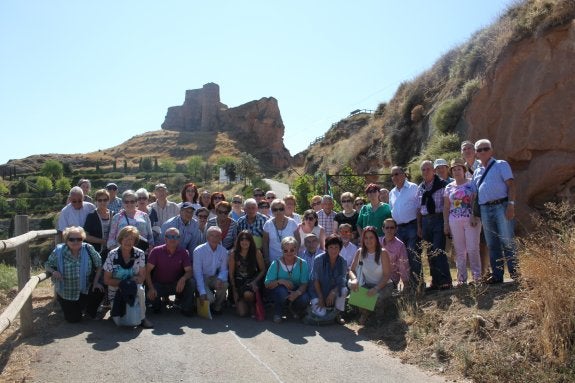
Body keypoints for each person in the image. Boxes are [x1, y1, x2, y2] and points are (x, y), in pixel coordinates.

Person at [473, 139, 517, 284]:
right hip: (485, 209)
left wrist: (511, 204)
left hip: (501, 206)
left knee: (507, 241)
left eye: (485, 149)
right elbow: (474, 193)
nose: (483, 152)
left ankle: (515, 274)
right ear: (476, 154)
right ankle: (497, 276)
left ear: (491, 151)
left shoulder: (501, 165)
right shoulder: (477, 171)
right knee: (492, 243)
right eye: (479, 150)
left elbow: (511, 185)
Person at [45, 226, 104, 322]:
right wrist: (54, 271)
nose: (75, 242)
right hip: (67, 292)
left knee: (100, 289)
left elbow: (99, 265)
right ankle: (77, 308)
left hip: (85, 289)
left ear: (83, 239)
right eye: (72, 239)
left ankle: (89, 311)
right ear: (66, 240)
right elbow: (47, 264)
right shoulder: (59, 251)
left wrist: (96, 282)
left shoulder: (88, 249)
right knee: (73, 320)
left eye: (79, 239)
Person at [103, 226, 153, 328]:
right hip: (116, 289)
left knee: (140, 289)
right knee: (119, 322)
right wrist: (125, 282)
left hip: (133, 287)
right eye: (126, 237)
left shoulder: (140, 253)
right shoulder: (112, 254)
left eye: (132, 239)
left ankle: (143, 317)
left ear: (135, 241)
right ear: (120, 239)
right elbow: (106, 280)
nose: (128, 241)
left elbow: (142, 277)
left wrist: (129, 283)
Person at [443, 158, 482, 285]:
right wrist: (446, 223)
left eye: (459, 169)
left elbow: (476, 201)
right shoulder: (449, 187)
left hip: (471, 220)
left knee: (472, 248)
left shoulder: (472, 184)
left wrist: (474, 215)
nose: (456, 171)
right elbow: (446, 207)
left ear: (464, 170)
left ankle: (477, 277)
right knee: (460, 251)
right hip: (454, 221)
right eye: (454, 170)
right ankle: (461, 279)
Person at [417, 160, 452, 291]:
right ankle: (435, 282)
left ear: (434, 170)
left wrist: (446, 223)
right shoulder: (420, 188)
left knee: (438, 250)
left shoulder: (443, 184)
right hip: (426, 221)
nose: (426, 172)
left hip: (439, 219)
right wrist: (419, 226)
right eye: (423, 170)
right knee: (430, 252)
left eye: (428, 169)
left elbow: (446, 206)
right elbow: (419, 208)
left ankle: (445, 281)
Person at [348, 226, 393, 325]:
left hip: (384, 285)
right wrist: (354, 279)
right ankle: (366, 313)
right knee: (355, 295)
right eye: (366, 238)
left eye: (371, 237)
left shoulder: (383, 253)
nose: (368, 240)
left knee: (376, 297)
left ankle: (379, 316)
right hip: (367, 284)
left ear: (376, 239)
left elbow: (386, 275)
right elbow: (351, 270)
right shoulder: (360, 252)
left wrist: (376, 288)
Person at [145, 228, 196, 316]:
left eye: (176, 237)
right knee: (155, 308)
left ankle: (186, 307)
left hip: (176, 285)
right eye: (170, 236)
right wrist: (151, 288)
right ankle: (157, 303)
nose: (173, 239)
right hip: (159, 286)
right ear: (165, 239)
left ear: (179, 239)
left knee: (191, 282)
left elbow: (189, 271)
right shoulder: (156, 251)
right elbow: (147, 271)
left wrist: (183, 278)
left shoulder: (184, 252)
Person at [389, 166, 422, 288]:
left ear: (404, 174)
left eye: (397, 174)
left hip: (412, 226)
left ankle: (418, 284)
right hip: (399, 229)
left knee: (413, 254)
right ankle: (407, 285)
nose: (394, 177)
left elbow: (419, 208)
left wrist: (419, 226)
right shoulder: (392, 192)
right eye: (392, 175)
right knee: (402, 258)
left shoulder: (413, 187)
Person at [264, 236, 310, 324]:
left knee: (305, 298)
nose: (289, 253)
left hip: (296, 290)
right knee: (281, 291)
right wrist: (280, 281)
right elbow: (267, 284)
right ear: (282, 250)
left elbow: (304, 284)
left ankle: (293, 310)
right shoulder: (276, 263)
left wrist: (297, 293)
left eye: (292, 250)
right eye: (285, 250)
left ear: (296, 249)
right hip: (279, 291)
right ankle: (278, 312)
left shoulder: (302, 263)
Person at [311, 234, 348, 324]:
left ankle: (338, 314)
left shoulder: (343, 262)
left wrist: (333, 292)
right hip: (317, 291)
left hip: (332, 291)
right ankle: (311, 308)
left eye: (336, 247)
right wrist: (320, 297)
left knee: (344, 290)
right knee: (322, 314)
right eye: (331, 247)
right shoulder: (319, 259)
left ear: (340, 248)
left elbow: (342, 281)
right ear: (326, 248)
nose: (333, 250)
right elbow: (315, 280)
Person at [229, 231, 266, 317]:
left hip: (252, 281)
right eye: (242, 239)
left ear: (251, 241)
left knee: (247, 294)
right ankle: (244, 304)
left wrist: (255, 281)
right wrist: (234, 290)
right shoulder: (233, 254)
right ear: (239, 241)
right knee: (242, 313)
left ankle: (252, 305)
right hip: (239, 283)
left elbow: (263, 270)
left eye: (247, 239)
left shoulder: (256, 252)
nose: (244, 242)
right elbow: (231, 274)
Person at [193, 226, 229, 315]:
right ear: (207, 237)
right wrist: (202, 292)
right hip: (202, 278)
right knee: (210, 299)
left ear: (221, 238)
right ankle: (198, 297)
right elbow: (197, 273)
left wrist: (220, 279)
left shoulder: (223, 251)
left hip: (213, 277)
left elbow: (224, 270)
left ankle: (217, 307)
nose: (214, 238)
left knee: (224, 284)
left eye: (217, 236)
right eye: (212, 235)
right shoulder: (199, 251)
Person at [262, 199, 298, 266]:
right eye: (275, 209)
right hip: (273, 260)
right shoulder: (268, 224)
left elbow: (298, 240)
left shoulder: (292, 223)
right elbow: (265, 242)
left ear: (284, 209)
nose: (278, 211)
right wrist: (266, 258)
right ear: (272, 211)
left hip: (290, 259)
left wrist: (296, 255)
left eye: (281, 209)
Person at [83, 189, 115, 261]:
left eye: (105, 200)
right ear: (96, 201)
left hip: (111, 252)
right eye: (100, 200)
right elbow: (85, 236)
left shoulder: (113, 214)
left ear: (108, 200)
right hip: (95, 252)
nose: (102, 202)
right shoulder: (91, 216)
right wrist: (102, 241)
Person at [381, 218, 411, 291]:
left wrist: (405, 284)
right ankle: (355, 301)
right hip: (374, 278)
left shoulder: (400, 245)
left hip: (390, 281)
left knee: (375, 296)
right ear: (383, 229)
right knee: (361, 291)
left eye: (392, 227)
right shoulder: (377, 242)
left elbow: (403, 266)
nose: (389, 230)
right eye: (387, 227)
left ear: (396, 229)